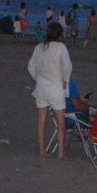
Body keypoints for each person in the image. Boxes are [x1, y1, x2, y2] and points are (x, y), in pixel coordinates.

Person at [27, 22, 72, 159]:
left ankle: (42, 150)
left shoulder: (39, 47)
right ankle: (60, 153)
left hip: (41, 87)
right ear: (59, 33)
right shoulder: (60, 47)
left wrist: (38, 78)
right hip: (55, 88)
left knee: (41, 121)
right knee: (60, 122)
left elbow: (30, 67)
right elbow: (67, 66)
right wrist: (65, 80)